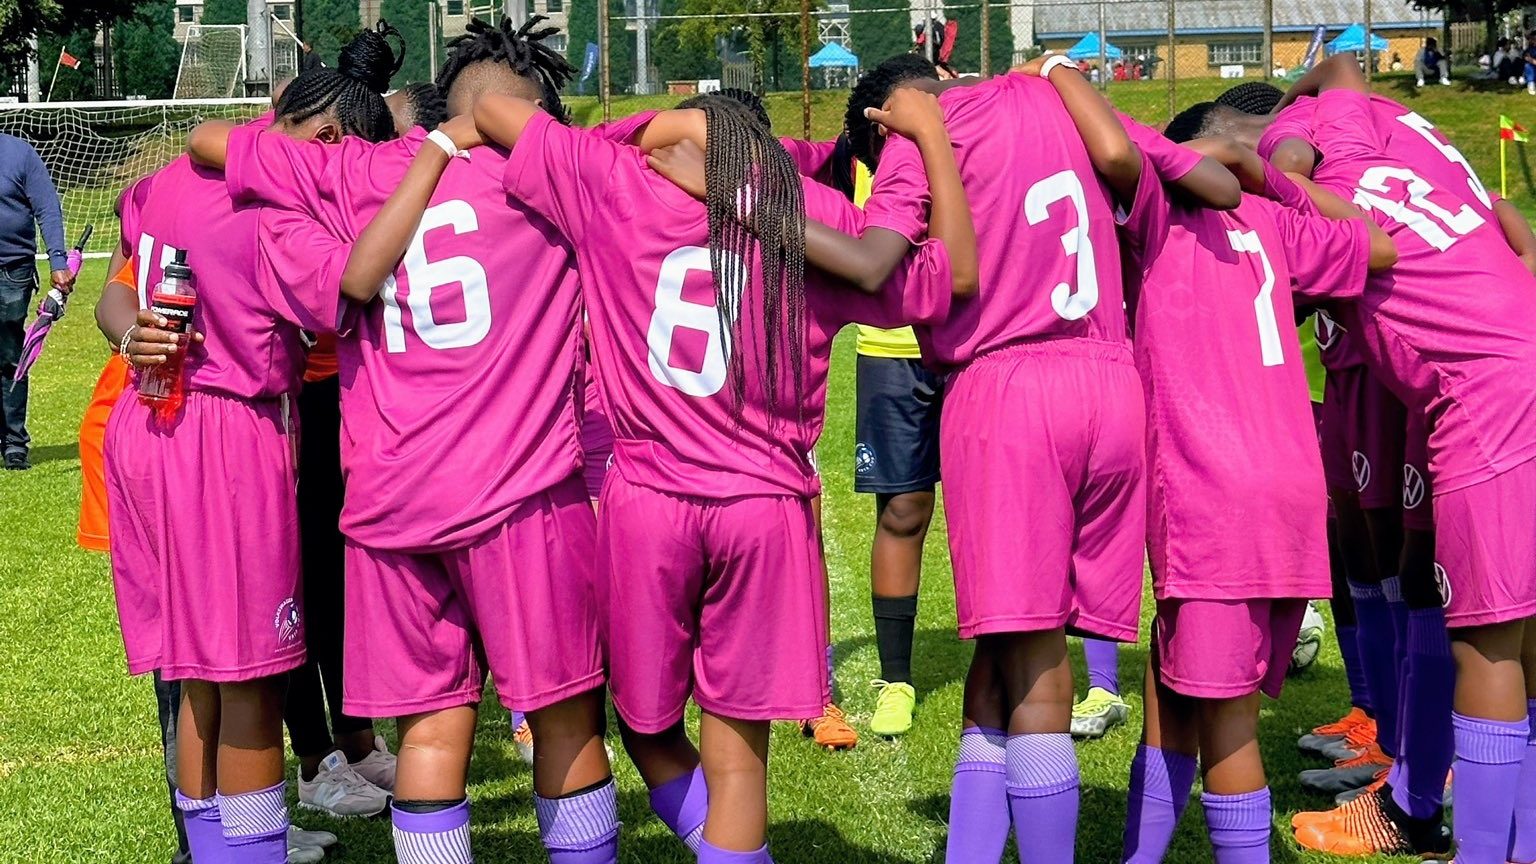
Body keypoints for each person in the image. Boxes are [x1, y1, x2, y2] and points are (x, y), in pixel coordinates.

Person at [439, 82, 972, 862]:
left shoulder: (616, 182)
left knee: (644, 723)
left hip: (650, 498)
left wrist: (652, 129)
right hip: (764, 506)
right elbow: (942, 277)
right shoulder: (814, 221)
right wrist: (918, 148)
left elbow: (492, 107)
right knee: (738, 755)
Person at [187, 17, 646, 862]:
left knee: (431, 735)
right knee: (565, 720)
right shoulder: (555, 170)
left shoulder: (356, 168)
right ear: (531, 113)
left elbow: (212, 140)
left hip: (392, 507)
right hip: (522, 495)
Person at [819, 54, 1217, 863]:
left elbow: (883, 254)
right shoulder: (1052, 98)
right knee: (1003, 652)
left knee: (1033, 654)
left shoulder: (919, 132)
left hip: (1008, 389)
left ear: (884, 116)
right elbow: (1185, 170)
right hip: (1109, 381)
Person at [95, 30, 403, 862]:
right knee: (251, 679)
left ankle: (209, 848)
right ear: (332, 144)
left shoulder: (166, 179)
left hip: (147, 426)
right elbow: (356, 285)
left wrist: (131, 337)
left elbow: (114, 289)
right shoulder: (279, 215)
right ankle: (252, 851)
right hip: (228, 439)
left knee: (196, 671)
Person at [1262, 54, 1536, 864]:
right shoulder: (1369, 133)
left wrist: (1272, 164)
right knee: (1506, 624)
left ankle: (1436, 822)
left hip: (1480, 392)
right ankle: (1492, 833)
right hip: (1499, 350)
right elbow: (1342, 66)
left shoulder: (1328, 196)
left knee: (1483, 635)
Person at [1105, 93, 1392, 861]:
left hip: (1214, 496)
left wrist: (1060, 74)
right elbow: (1378, 244)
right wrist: (1275, 179)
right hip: (1291, 493)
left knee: (1227, 722)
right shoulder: (1276, 221)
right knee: (1175, 687)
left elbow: (1112, 146)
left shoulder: (1160, 218)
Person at [0, 131, 73, 470]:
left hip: (12, 270)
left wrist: (58, 261)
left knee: (11, 356)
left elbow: (47, 208)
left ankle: (14, 443)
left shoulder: (20, 154)